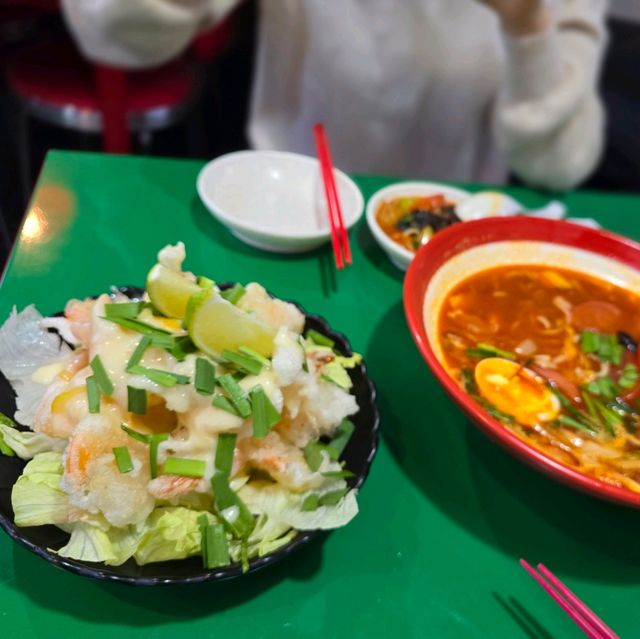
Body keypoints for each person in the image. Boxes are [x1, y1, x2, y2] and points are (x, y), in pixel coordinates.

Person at [60, 0, 608, 191]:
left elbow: (560, 165)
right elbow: (113, 30)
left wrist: (528, 23)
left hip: (456, 218)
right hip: (289, 198)